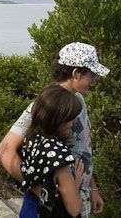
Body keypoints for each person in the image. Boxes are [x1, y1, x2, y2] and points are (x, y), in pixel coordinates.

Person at [0, 42, 108, 217]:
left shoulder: (78, 101)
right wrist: (45, 194)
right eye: (92, 74)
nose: (95, 80)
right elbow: (4, 152)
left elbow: (81, 149)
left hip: (78, 200)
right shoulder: (46, 106)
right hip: (59, 208)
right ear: (76, 73)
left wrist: (92, 188)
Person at [18, 84, 85, 217]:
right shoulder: (58, 154)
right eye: (70, 119)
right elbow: (74, 209)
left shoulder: (31, 138)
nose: (75, 122)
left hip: (30, 209)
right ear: (57, 120)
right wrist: (76, 182)